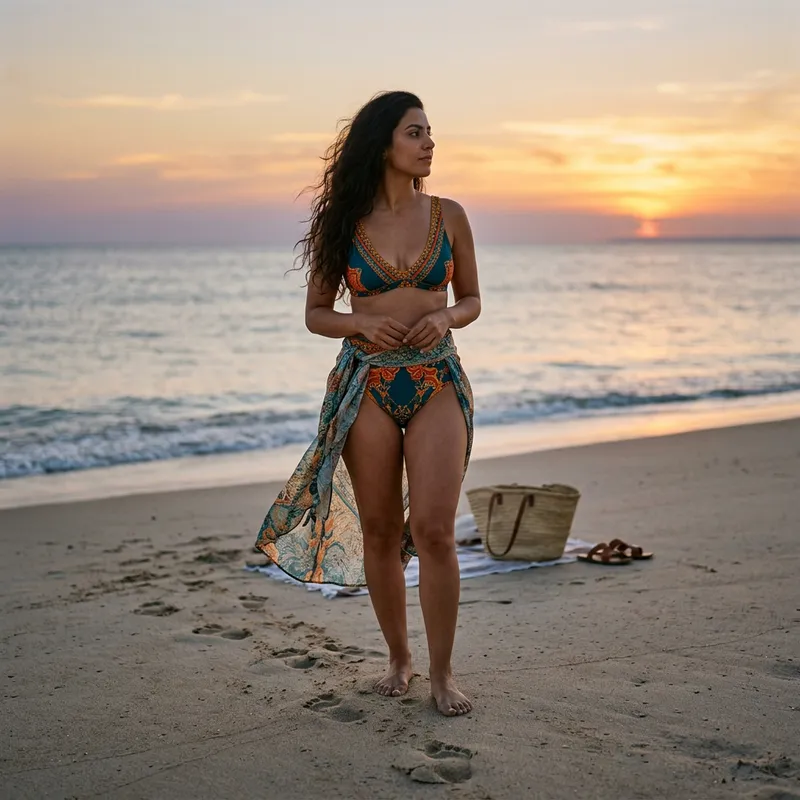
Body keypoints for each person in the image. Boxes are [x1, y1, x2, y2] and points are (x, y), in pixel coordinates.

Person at [255, 91, 482, 716]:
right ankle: (399, 659)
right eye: (416, 132)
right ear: (385, 144)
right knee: (381, 531)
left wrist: (445, 317)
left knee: (435, 531)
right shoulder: (343, 225)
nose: (430, 143)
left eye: (431, 132)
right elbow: (316, 314)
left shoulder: (451, 214)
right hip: (367, 384)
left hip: (437, 378)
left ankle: (441, 674)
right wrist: (357, 327)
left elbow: (472, 301)